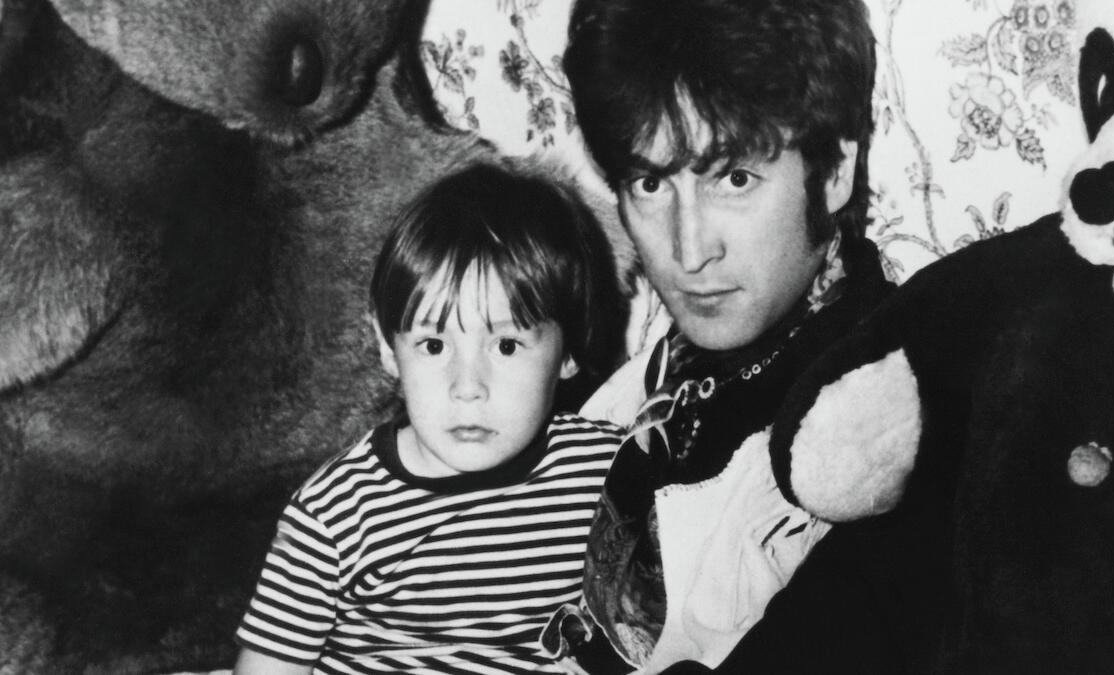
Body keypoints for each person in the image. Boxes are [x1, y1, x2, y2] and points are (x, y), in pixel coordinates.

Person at [542, 0, 949, 673]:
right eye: (650, 183)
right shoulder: (668, 365)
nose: (688, 250)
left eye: (734, 178)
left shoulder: (878, 440)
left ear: (834, 172)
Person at [233, 162, 626, 674]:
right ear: (387, 346)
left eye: (507, 345)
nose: (467, 386)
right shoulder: (335, 515)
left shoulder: (610, 473)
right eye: (434, 345)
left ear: (569, 349)